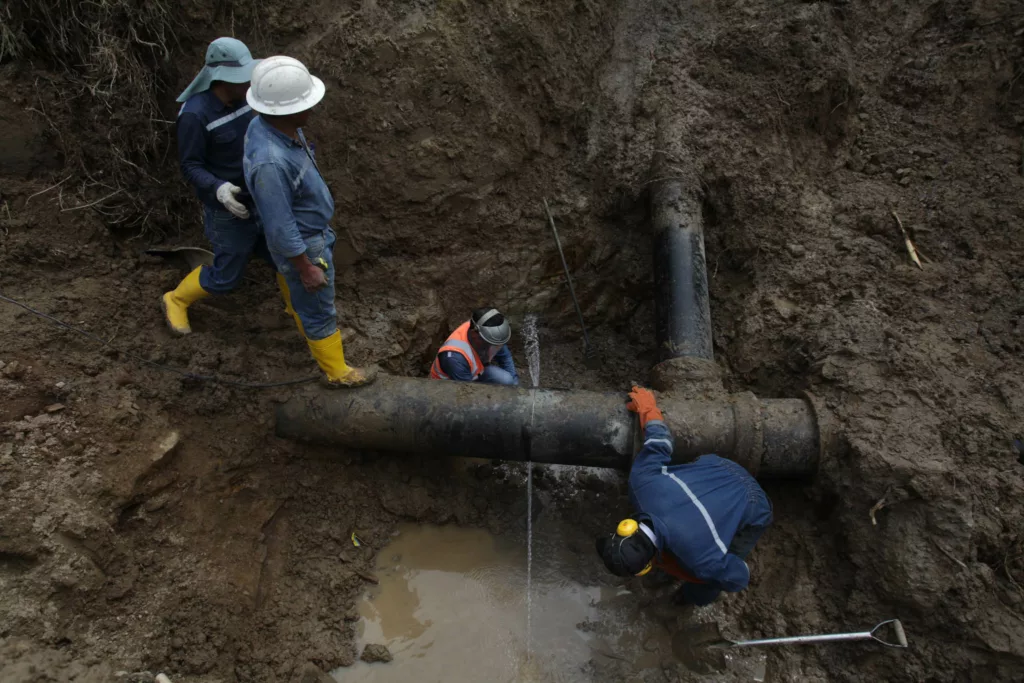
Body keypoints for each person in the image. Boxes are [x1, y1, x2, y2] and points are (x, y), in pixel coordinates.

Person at [243, 56, 375, 388]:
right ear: (283, 110)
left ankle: (297, 311)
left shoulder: (270, 126)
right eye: (306, 103)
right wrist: (305, 266)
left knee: (300, 296)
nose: (312, 109)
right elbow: (280, 223)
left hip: (305, 233)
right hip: (305, 241)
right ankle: (337, 373)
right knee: (318, 305)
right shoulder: (270, 162)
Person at [163, 37, 295, 335]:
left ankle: (295, 308)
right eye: (243, 76)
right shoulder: (195, 115)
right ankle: (175, 299)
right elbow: (190, 166)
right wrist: (218, 188)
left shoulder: (247, 100)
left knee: (286, 256)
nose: (250, 81)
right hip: (228, 209)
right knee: (226, 276)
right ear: (222, 78)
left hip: (262, 196)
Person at [596, 386, 772, 606]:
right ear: (626, 527)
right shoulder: (641, 483)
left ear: (648, 566)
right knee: (690, 555)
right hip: (721, 467)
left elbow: (739, 578)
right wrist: (647, 408)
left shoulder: (702, 561)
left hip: (754, 505)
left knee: (710, 582)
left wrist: (696, 573)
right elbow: (660, 441)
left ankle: (686, 602)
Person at [430, 308, 520, 386]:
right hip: (449, 385)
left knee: (507, 380)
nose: (495, 346)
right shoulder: (454, 357)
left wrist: (515, 387)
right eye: (489, 343)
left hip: (474, 373)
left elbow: (505, 357)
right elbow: (466, 392)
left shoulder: (489, 333)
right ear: (474, 334)